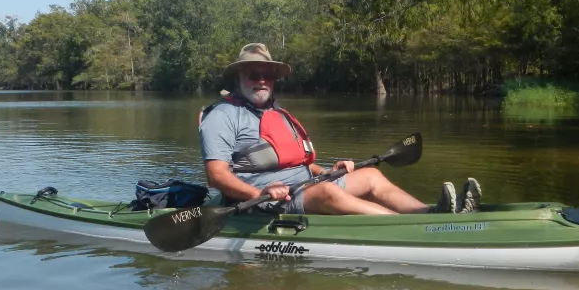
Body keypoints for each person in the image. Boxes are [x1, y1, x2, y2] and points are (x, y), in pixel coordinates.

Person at [198, 43, 482, 216]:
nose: (262, 81)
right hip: (261, 198)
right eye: (253, 74)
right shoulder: (222, 116)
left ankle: (430, 214)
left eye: (267, 75)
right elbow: (216, 176)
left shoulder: (278, 113)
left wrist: (328, 172)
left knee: (370, 175)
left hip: (304, 185)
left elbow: (301, 164)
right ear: (239, 77)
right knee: (327, 195)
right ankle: (406, 227)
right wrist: (258, 193)